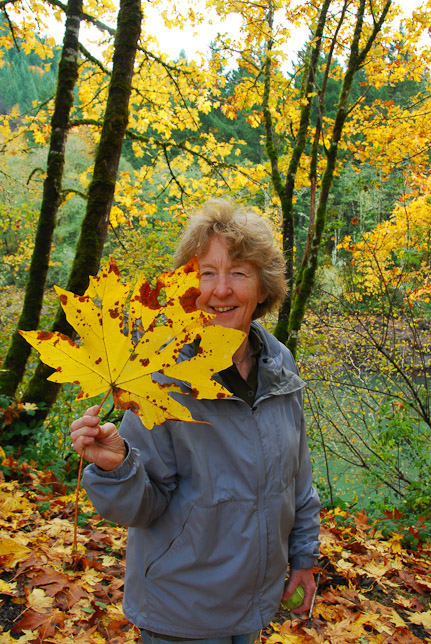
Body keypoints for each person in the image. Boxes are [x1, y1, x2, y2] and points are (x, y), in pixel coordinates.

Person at [70, 199, 321, 644]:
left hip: (253, 605)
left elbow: (296, 478)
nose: (220, 290)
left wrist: (303, 556)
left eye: (238, 272)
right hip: (181, 613)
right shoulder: (161, 373)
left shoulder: (279, 363)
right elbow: (140, 507)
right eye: (206, 273)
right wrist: (117, 466)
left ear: (263, 288)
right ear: (187, 286)